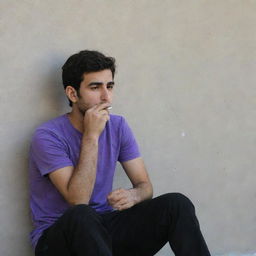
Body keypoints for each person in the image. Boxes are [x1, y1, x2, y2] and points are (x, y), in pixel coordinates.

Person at [29, 50, 211, 256]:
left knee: (177, 205)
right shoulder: (48, 136)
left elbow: (145, 186)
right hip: (58, 239)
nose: (106, 96)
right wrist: (91, 136)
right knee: (82, 214)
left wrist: (135, 195)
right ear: (72, 94)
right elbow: (77, 200)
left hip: (104, 230)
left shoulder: (118, 126)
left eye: (110, 86)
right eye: (95, 87)